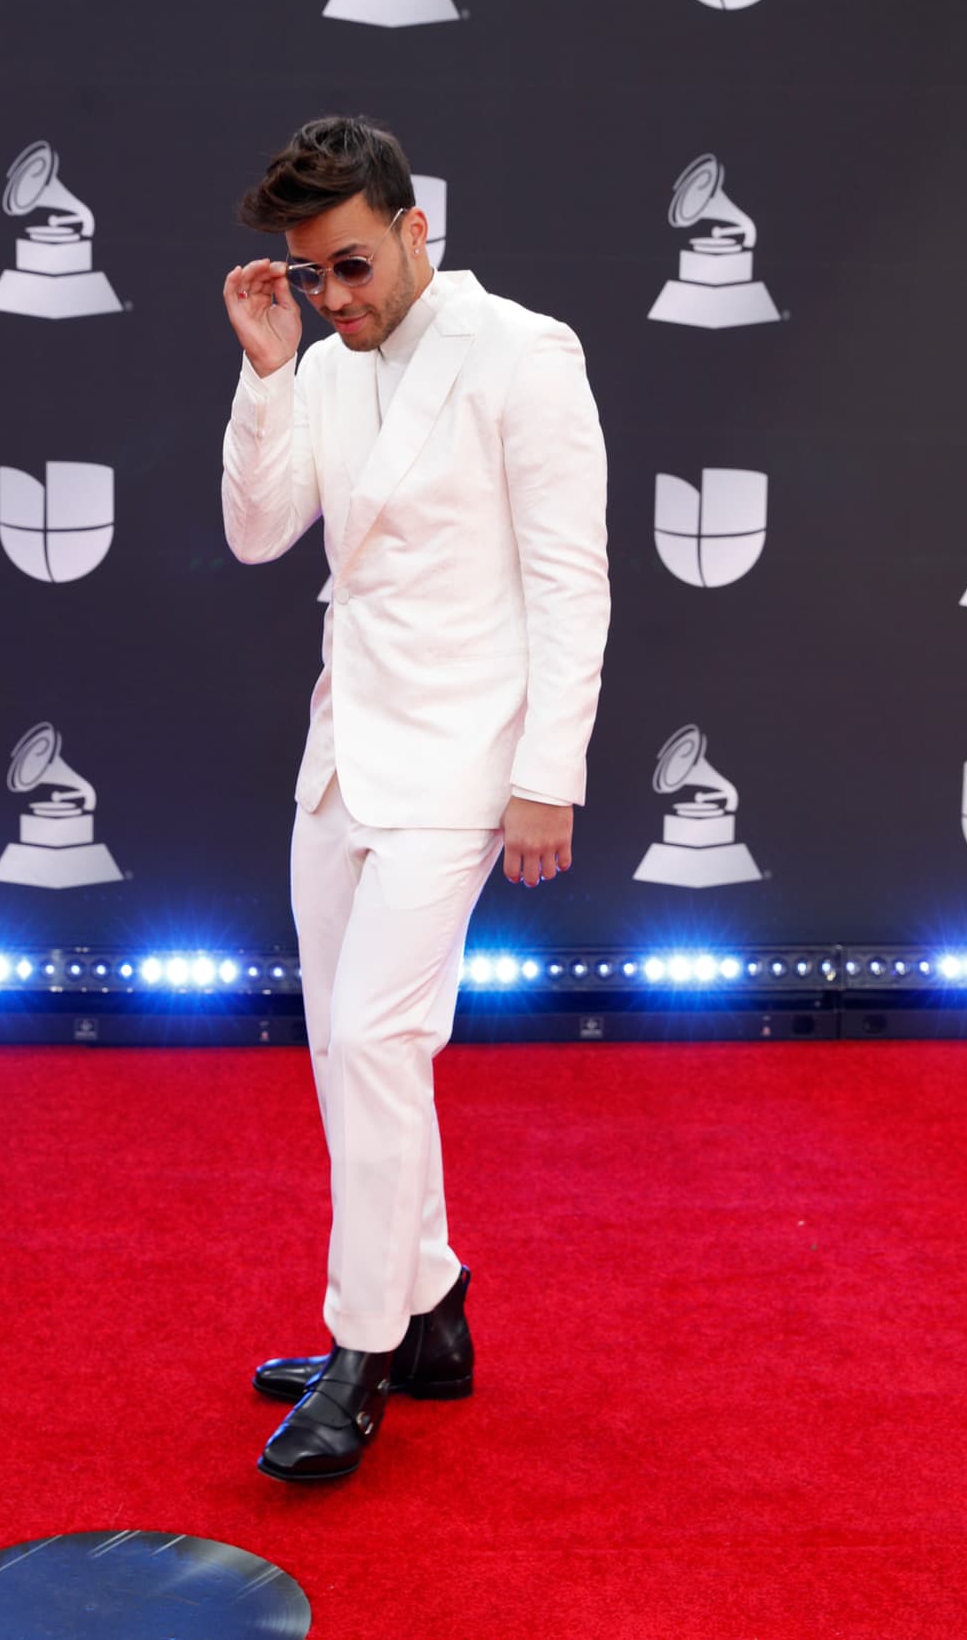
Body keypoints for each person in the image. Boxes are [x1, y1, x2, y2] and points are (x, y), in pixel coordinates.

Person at [220, 116, 610, 1483]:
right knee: (349, 1055)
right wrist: (270, 378)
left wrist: (545, 776)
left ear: (414, 226)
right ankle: (432, 1309)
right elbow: (259, 532)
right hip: (341, 760)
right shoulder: (320, 365)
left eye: (354, 267)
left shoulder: (523, 353)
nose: (337, 298)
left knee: (381, 1045)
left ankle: (360, 1351)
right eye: (313, 277)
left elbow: (571, 581)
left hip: (460, 764)